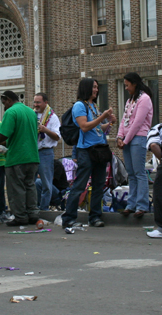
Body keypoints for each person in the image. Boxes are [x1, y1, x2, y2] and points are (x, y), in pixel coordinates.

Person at [60, 78, 116, 229]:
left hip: (100, 149)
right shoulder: (79, 105)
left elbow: (98, 129)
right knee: (80, 185)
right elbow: (84, 127)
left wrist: (109, 123)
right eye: (94, 87)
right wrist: (102, 117)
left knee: (99, 185)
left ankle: (95, 216)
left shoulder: (93, 106)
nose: (96, 90)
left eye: (97, 87)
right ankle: (69, 218)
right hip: (86, 150)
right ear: (86, 88)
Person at [0, 90, 42, 227]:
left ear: (8, 99)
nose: (4, 107)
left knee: (16, 188)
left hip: (16, 157)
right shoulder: (31, 112)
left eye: (4, 103)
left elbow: (5, 134)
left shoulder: (11, 112)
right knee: (30, 186)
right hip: (32, 156)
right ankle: (33, 214)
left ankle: (20, 216)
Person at [117, 73, 153, 218]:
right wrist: (119, 136)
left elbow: (137, 122)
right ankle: (131, 204)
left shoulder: (144, 99)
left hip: (138, 138)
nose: (126, 88)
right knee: (131, 173)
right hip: (127, 139)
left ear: (135, 84)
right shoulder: (130, 101)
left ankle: (142, 205)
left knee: (139, 173)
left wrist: (126, 140)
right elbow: (124, 119)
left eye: (127, 85)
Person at [34, 92, 61, 211]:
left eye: (38, 102)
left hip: (45, 153)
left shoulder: (52, 117)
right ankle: (33, 208)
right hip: (32, 152)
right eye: (34, 102)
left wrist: (45, 130)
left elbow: (57, 137)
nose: (36, 105)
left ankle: (44, 209)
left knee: (46, 184)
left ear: (45, 102)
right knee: (31, 183)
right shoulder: (31, 115)